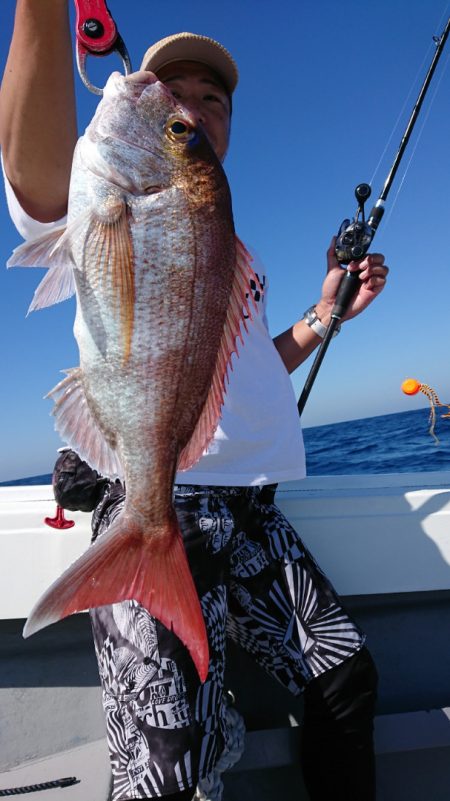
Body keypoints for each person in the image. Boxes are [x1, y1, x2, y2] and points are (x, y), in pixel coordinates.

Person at [0, 4, 389, 800]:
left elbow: (243, 373)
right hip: (155, 499)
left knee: (346, 680)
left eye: (214, 100)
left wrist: (322, 318)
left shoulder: (224, 253)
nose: (196, 108)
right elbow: (36, 178)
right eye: (175, 94)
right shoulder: (105, 187)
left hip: (253, 516)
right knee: (170, 762)